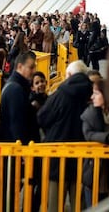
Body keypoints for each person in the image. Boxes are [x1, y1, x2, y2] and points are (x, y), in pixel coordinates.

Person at [38, 60, 93, 212]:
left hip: (57, 156)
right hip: (84, 157)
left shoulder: (60, 94)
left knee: (55, 203)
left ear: (68, 75)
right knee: (79, 203)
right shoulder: (92, 93)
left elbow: (42, 117)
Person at [0, 51, 40, 211]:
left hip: (16, 150)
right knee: (13, 192)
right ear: (20, 67)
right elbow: (17, 123)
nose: (33, 70)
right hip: (18, 151)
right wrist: (23, 152)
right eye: (31, 67)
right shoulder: (16, 89)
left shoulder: (14, 86)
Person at [81, 79, 109, 208]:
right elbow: (88, 134)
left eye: (96, 93)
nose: (92, 97)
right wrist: (106, 138)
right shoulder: (90, 114)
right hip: (93, 172)